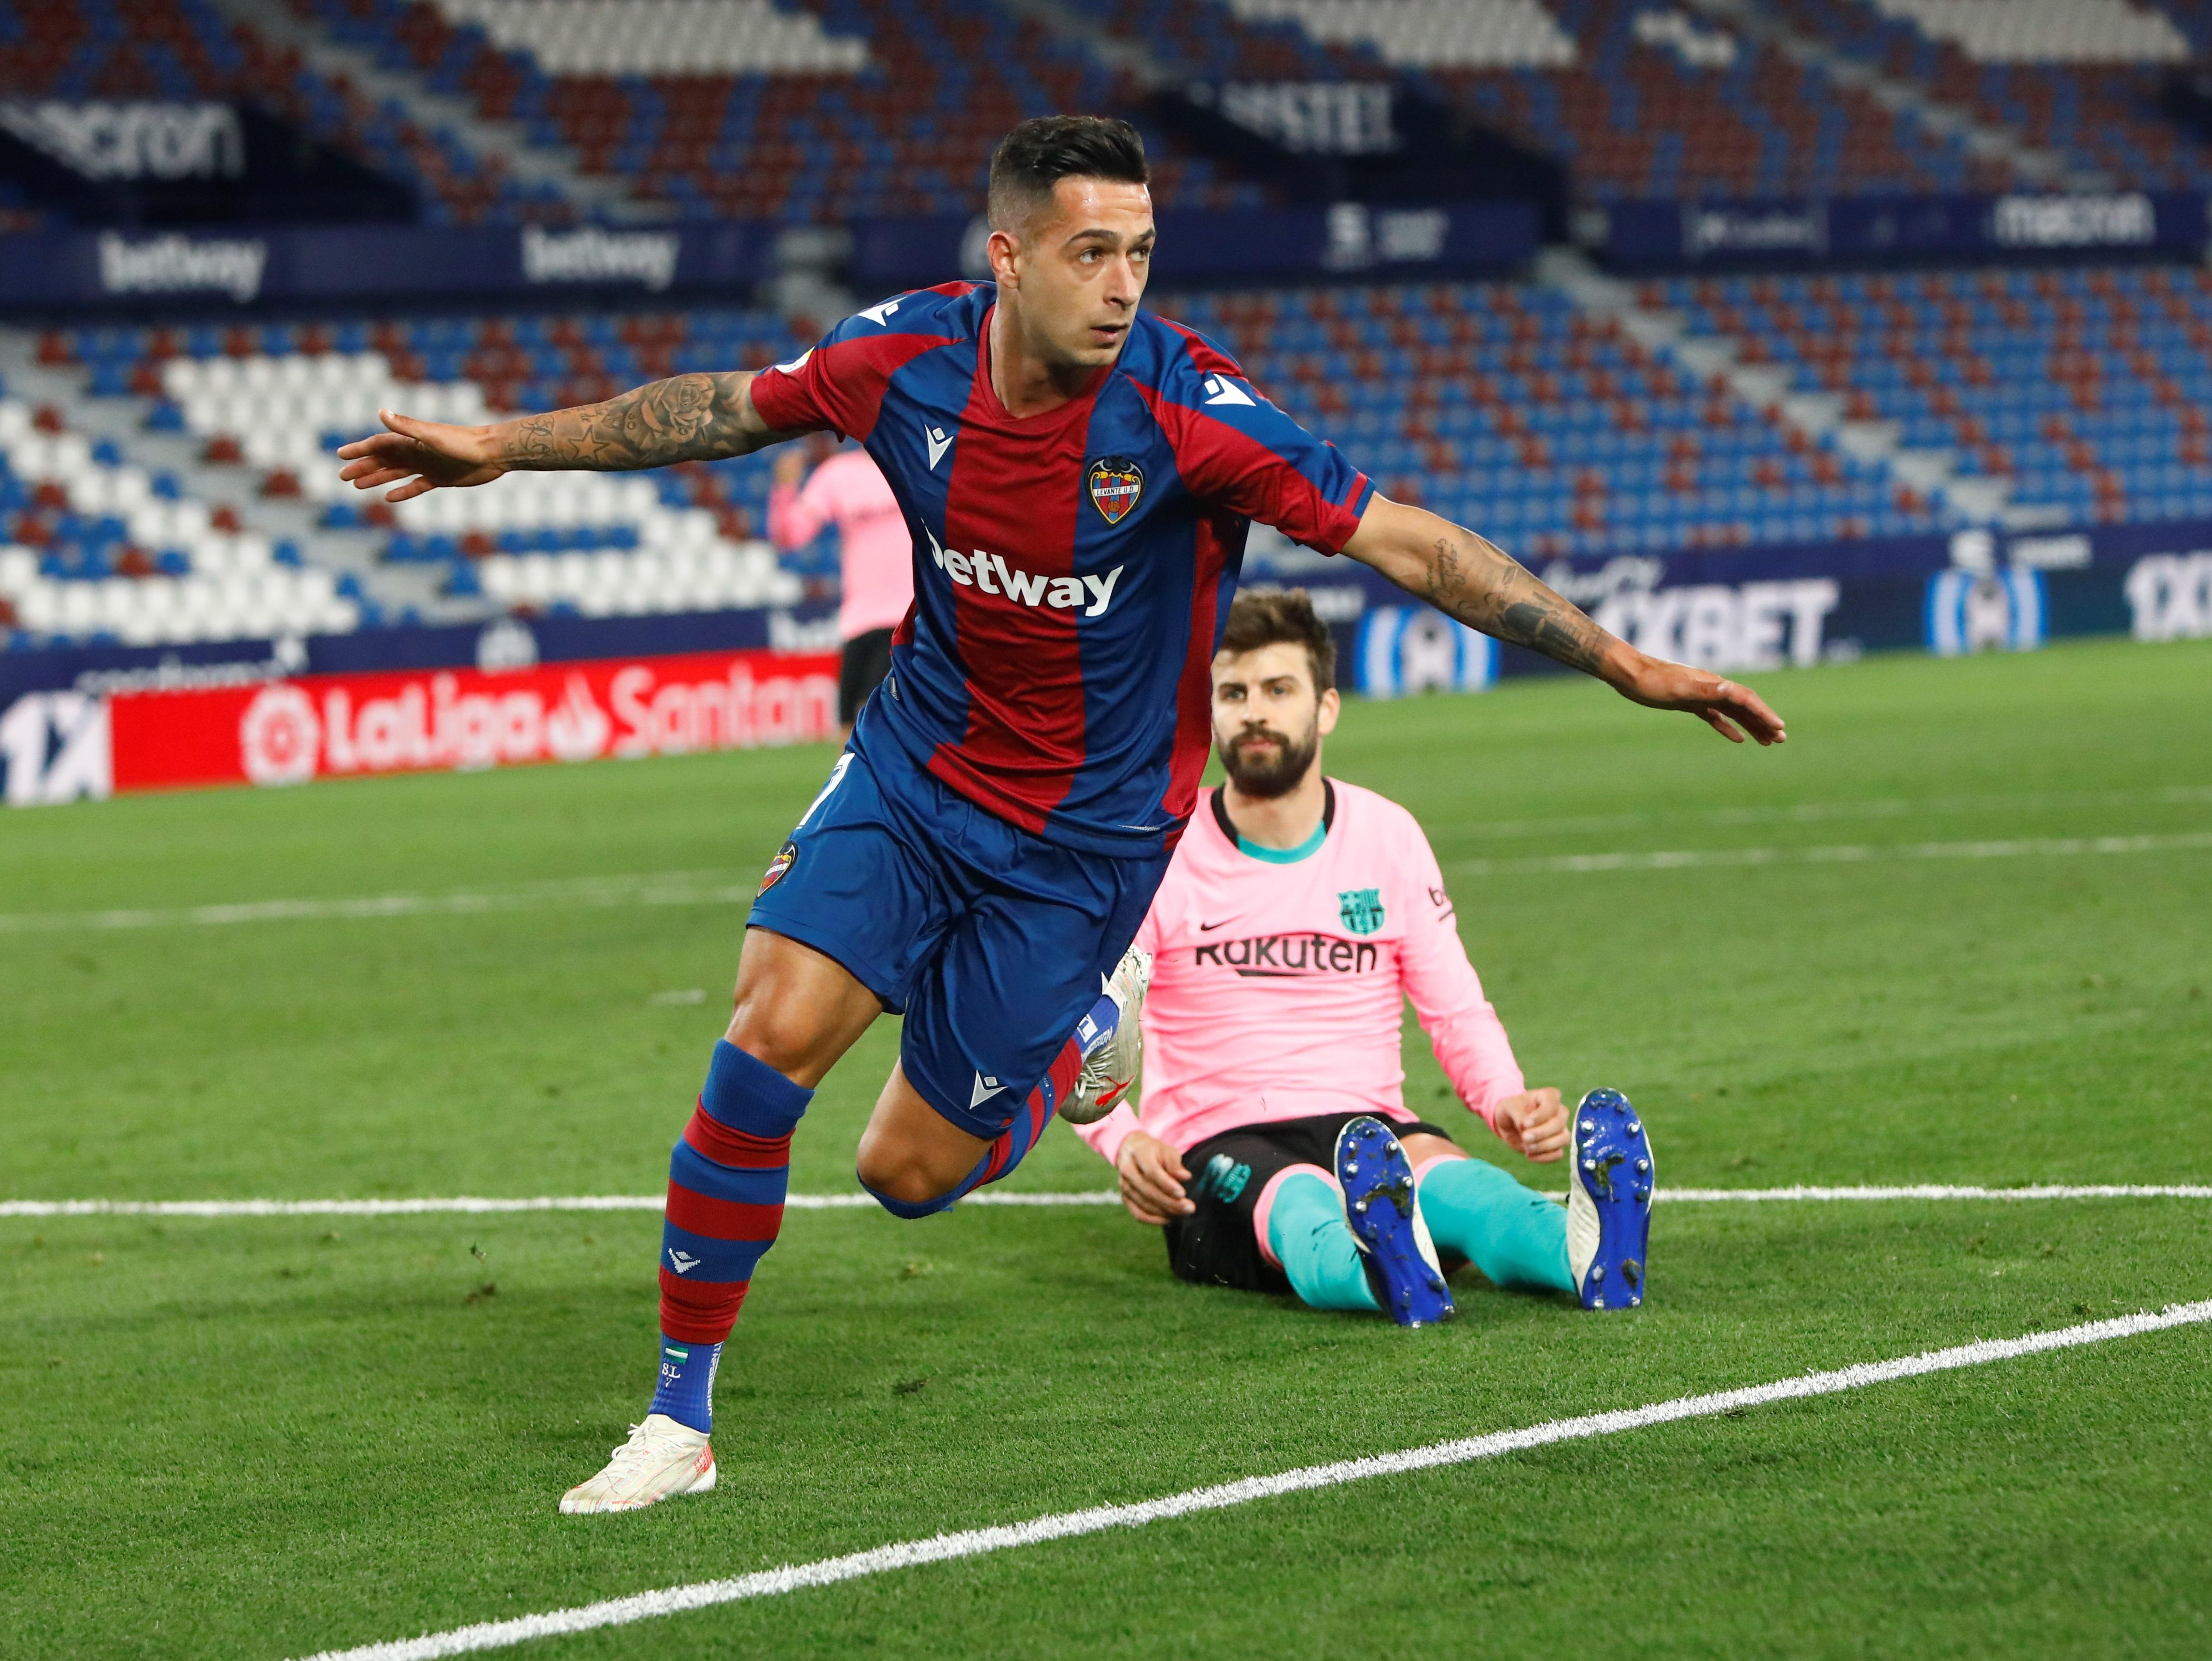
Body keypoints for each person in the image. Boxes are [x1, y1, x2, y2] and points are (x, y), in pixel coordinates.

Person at [338, 115, 1785, 1515]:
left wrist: (1615, 659)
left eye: (1141, 252)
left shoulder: (1184, 409)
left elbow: (1406, 538)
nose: (1121, 284)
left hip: (1080, 852)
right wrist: (503, 444)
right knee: (763, 1039)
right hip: (915, 771)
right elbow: (720, 409)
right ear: (1007, 256)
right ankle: (677, 1414)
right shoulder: (902, 356)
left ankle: (1075, 1051)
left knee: (902, 1174)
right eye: (1090, 251)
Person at [1078, 587, 1651, 1325]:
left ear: (1326, 708)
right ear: (1209, 711)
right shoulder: (1160, 852)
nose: (1254, 710)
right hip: (1216, 1139)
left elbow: (1453, 1005)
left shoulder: (1387, 835)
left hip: (1369, 1130)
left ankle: (1582, 1251)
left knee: (1466, 1190)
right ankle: (1384, 1273)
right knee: (1302, 1205)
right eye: (1234, 692)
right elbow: (1086, 1024)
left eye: (1279, 690)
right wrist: (1123, 1141)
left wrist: (1504, 1096)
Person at [768, 434, 910, 727]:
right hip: (860, 618)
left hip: (909, 617)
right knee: (849, 719)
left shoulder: (916, 460)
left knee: (874, 715)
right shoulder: (838, 474)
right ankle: (852, 775)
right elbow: (790, 536)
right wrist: (785, 488)